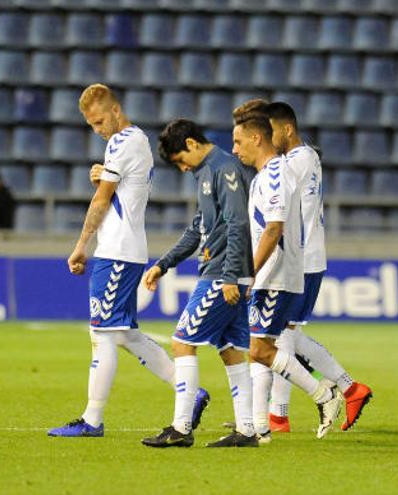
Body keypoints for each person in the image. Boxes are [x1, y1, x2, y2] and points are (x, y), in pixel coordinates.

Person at [48, 84, 207, 438]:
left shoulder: (122, 143)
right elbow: (118, 189)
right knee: (123, 333)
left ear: (116, 110)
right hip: (125, 248)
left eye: (99, 121)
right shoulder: (132, 141)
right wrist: (103, 174)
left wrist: (80, 246)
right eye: (91, 125)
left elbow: (103, 201)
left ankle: (92, 420)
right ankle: (189, 390)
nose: (97, 129)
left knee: (102, 334)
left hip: (116, 251)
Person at [254, 101, 374, 437]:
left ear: (287, 130)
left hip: (301, 258)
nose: (266, 138)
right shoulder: (304, 156)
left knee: (280, 338)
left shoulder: (297, 160)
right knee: (286, 334)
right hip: (304, 256)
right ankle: (349, 389)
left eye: (271, 132)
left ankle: (278, 417)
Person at [139, 119, 259, 448]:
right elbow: (198, 229)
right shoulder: (206, 172)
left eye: (180, 160)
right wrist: (164, 264)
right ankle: (247, 429)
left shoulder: (224, 169)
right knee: (231, 351)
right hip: (224, 271)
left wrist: (233, 275)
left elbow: (238, 224)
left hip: (222, 274)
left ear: (192, 144)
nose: (181, 168)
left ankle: (181, 428)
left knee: (181, 342)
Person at [232, 114, 344, 439]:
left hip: (275, 275)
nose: (235, 149)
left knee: (260, 349)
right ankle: (259, 426)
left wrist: (250, 273)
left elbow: (274, 228)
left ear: (257, 138)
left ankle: (325, 395)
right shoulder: (266, 175)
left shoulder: (278, 173)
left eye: (239, 141)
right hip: (276, 273)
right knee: (263, 346)